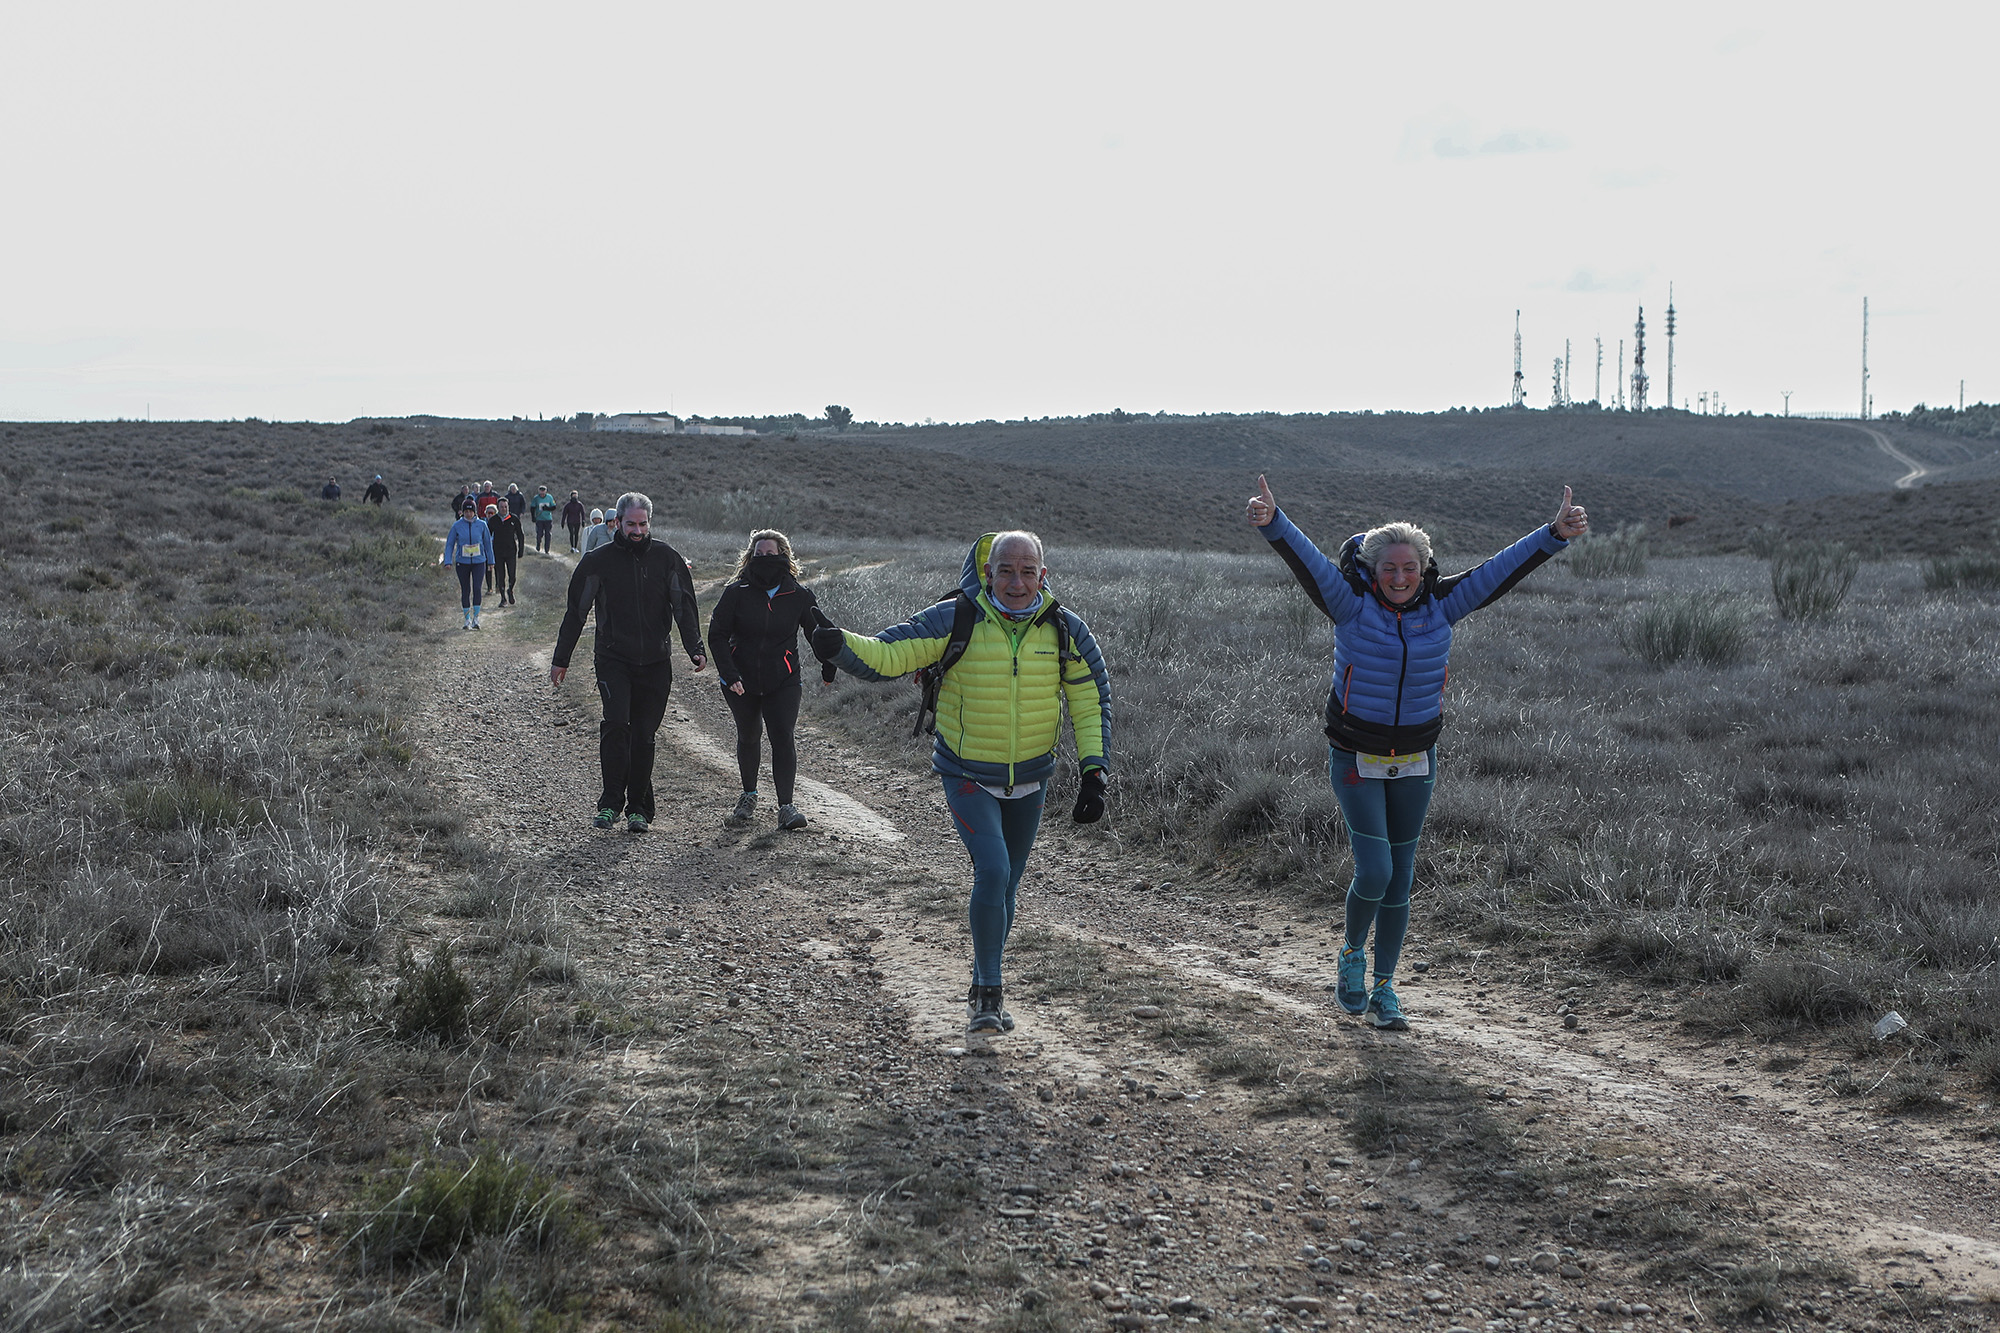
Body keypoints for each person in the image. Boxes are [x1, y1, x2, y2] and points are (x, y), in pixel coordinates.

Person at [1245, 474, 1588, 1032]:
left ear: (1423, 570)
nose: (1400, 578)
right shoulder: (1350, 605)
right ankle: (1351, 956)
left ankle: (1385, 989)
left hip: (1417, 758)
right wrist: (1274, 523)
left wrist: (1554, 534)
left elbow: (1500, 570)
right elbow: (1307, 563)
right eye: (1388, 569)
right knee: (1375, 869)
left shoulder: (1442, 605)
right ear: (1372, 572)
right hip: (1356, 755)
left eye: (1409, 568)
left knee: (1400, 878)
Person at [813, 531, 1111, 1037]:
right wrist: (839, 644)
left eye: (1027, 570)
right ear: (988, 573)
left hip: (1031, 779)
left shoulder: (1064, 629)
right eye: (1006, 570)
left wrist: (1093, 771)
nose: (1017, 582)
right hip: (968, 774)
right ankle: (987, 996)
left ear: (1044, 575)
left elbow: (1088, 700)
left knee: (1006, 884)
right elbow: (889, 654)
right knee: (993, 871)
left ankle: (982, 977)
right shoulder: (957, 618)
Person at [550, 493, 707, 832]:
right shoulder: (597, 561)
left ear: (649, 523)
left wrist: (695, 646)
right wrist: (561, 659)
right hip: (613, 658)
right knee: (617, 725)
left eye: (643, 524)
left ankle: (638, 807)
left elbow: (684, 606)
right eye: (631, 524)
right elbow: (576, 613)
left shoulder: (667, 558)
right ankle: (610, 803)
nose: (637, 530)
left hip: (655, 661)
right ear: (617, 522)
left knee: (644, 735)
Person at [709, 530, 838, 831]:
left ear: (784, 556)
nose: (765, 559)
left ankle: (786, 807)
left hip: (784, 679)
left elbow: (818, 631)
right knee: (749, 735)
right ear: (750, 558)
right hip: (741, 680)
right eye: (759, 554)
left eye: (771, 554)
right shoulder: (736, 592)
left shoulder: (799, 595)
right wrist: (729, 674)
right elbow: (716, 635)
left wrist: (829, 664)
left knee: (782, 737)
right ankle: (748, 796)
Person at [440, 497, 493, 628]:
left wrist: (491, 561)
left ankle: (476, 618)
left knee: (477, 588)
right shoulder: (457, 526)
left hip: (479, 562)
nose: (468, 514)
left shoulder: (482, 525)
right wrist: (448, 561)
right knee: (465, 590)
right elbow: (450, 544)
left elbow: (488, 544)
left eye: (471, 511)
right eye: (466, 511)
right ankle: (467, 619)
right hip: (462, 563)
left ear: (475, 512)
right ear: (462, 512)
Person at [488, 501, 525, 605]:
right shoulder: (493, 520)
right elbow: (487, 536)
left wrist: (521, 550)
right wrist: (488, 552)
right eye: (501, 507)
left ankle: (510, 590)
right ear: (498, 508)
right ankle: (503, 598)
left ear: (508, 507)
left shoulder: (514, 519)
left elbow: (520, 535)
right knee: (500, 575)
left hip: (511, 551)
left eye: (505, 507)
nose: (503, 509)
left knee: (512, 575)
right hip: (498, 552)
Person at [530, 486, 557, 554]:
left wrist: (547, 508)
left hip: (548, 519)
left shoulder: (549, 497)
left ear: (545, 491)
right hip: (539, 519)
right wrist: (533, 517)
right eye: (541, 491)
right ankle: (538, 544)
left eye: (543, 491)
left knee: (548, 534)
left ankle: (547, 549)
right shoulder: (536, 498)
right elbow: (532, 508)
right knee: (539, 533)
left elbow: (554, 507)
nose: (542, 493)